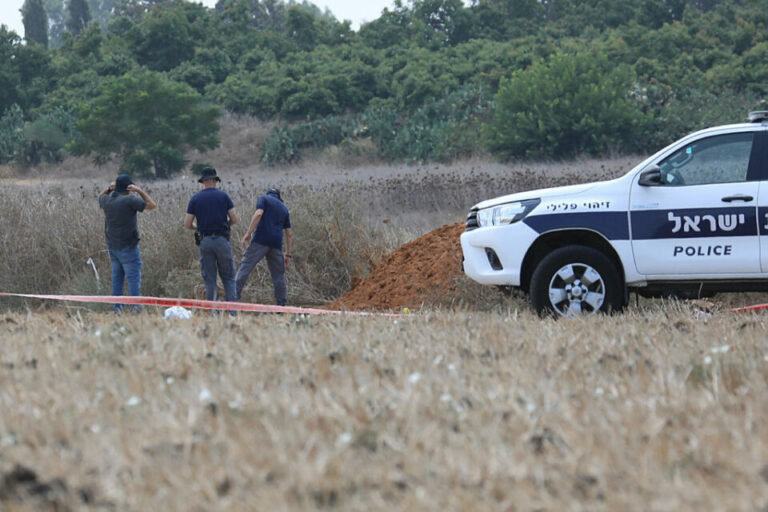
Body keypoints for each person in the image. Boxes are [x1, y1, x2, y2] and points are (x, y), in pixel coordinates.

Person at [99, 173, 156, 313]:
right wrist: (139, 191)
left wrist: (108, 188)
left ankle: (118, 309)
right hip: (128, 247)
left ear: (115, 187)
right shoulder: (129, 200)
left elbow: (100, 196)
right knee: (133, 279)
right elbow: (152, 205)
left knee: (117, 280)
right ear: (129, 188)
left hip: (112, 247)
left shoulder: (107, 201)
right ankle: (135, 309)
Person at [184, 167, 239, 310]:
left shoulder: (195, 199)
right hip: (222, 239)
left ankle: (215, 312)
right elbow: (234, 219)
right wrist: (226, 225)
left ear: (203, 181)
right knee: (228, 277)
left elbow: (187, 224)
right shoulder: (224, 196)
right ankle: (232, 312)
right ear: (215, 180)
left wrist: (200, 227)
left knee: (210, 279)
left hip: (205, 241)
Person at [235, 188, 292, 306]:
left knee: (245, 267)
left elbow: (258, 214)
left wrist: (248, 233)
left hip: (260, 240)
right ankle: (281, 305)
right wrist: (288, 255)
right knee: (278, 275)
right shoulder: (284, 208)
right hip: (276, 244)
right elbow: (289, 234)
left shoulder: (264, 199)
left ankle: (233, 298)